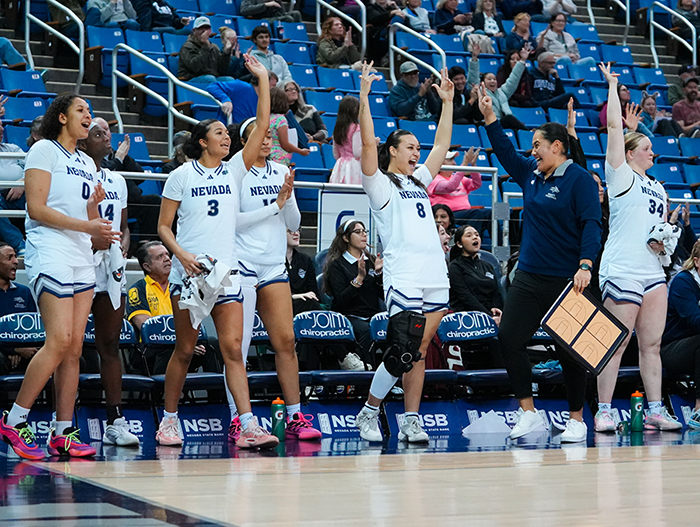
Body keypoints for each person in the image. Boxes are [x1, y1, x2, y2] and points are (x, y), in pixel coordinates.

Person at [154, 54, 280, 449]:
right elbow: (162, 226)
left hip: (225, 273)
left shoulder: (236, 169)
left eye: (229, 134)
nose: (227, 138)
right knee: (186, 349)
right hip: (189, 274)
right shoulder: (180, 175)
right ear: (202, 140)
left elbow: (262, 124)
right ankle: (169, 421)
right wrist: (182, 256)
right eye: (220, 133)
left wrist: (261, 81)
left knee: (232, 350)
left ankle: (246, 424)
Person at [478, 82, 602, 442]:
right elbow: (504, 151)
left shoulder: (579, 179)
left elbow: (591, 225)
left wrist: (585, 264)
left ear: (557, 147)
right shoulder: (532, 176)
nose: (532, 152)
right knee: (510, 339)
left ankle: (577, 419)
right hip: (529, 277)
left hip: (568, 279)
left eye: (537, 146)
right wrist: (490, 118)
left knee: (570, 352)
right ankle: (529, 413)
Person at [0, 94, 119, 460]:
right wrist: (87, 223)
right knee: (58, 340)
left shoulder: (86, 160)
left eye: (90, 111)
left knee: (74, 348)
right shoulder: (43, 151)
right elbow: (36, 208)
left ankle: (62, 430)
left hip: (82, 253)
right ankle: (14, 419)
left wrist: (93, 213)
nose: (90, 116)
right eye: (82, 111)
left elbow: (82, 211)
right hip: (49, 248)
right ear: (63, 117)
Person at [354, 62, 454, 443]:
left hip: (434, 274)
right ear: (392, 151)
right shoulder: (380, 186)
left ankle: (411, 419)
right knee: (404, 348)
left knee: (422, 348)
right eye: (410, 147)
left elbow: (442, 146)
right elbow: (366, 144)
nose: (417, 152)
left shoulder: (419, 182)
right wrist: (364, 98)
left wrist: (447, 101)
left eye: (417, 148)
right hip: (405, 273)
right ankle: (369, 411)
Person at [223, 117, 322, 445]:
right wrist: (273, 205)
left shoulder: (281, 171)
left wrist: (288, 198)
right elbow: (232, 222)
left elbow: (293, 222)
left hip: (272, 266)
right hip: (241, 264)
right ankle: (239, 419)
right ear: (244, 140)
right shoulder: (233, 172)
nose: (266, 141)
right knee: (239, 347)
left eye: (268, 136)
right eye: (257, 136)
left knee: (286, 341)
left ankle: (294, 415)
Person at [594, 63, 682, 432]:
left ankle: (655, 409)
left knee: (652, 345)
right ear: (630, 154)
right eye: (646, 148)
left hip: (651, 269)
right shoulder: (621, 174)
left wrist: (665, 240)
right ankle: (603, 410)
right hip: (622, 268)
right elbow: (615, 129)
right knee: (614, 343)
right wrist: (613, 87)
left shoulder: (658, 187)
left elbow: (658, 235)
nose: (652, 153)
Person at [78, 119, 139, 447]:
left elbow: (124, 223)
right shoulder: (75, 174)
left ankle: (115, 420)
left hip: (111, 264)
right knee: (70, 345)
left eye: (107, 132)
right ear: (84, 142)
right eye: (98, 133)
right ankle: (64, 422)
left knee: (110, 344)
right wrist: (92, 241)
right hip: (79, 260)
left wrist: (125, 242)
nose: (107, 137)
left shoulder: (117, 179)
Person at [324, 220, 384, 366]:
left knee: (393, 327)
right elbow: (341, 300)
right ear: (345, 238)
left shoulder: (371, 261)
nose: (363, 235)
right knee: (365, 330)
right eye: (358, 232)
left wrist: (379, 274)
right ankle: (366, 375)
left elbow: (383, 296)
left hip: (372, 315)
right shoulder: (337, 265)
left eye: (365, 231)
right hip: (348, 315)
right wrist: (359, 278)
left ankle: (391, 379)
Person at [93, 118, 162, 243]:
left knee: (154, 201)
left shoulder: (116, 153)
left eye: (107, 130)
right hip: (109, 202)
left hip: (132, 200)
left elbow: (139, 176)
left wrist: (124, 156)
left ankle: (146, 244)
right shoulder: (93, 156)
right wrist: (118, 159)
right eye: (100, 131)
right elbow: (103, 172)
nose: (105, 134)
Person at [661, 240, 700, 428]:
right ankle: (699, 410)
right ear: (697, 261)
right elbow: (695, 321)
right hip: (672, 349)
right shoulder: (684, 282)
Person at [428, 148, 492, 234]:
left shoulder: (457, 178)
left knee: (490, 213)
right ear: (440, 163)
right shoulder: (433, 179)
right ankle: (469, 244)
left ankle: (501, 245)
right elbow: (450, 187)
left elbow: (476, 184)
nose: (454, 163)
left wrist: (473, 165)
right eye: (450, 160)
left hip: (466, 213)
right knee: (477, 214)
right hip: (448, 215)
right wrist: (464, 164)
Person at [449, 224, 503, 318]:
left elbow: (496, 293)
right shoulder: (455, 267)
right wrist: (488, 315)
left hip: (491, 315)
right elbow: (465, 297)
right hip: (467, 317)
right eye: (469, 235)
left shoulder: (488, 266)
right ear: (459, 244)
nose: (475, 237)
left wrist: (496, 310)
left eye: (477, 235)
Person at [0, 243, 38, 375]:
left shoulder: (24, 292)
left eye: (15, 257)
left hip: (26, 351)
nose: (16, 261)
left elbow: (35, 330)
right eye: (9, 258)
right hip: (3, 352)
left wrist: (22, 349)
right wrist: (14, 349)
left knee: (66, 359)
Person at [481, 44, 531, 129]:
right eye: (489, 79)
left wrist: (522, 60)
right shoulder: (480, 93)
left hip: (501, 124)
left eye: (494, 79)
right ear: (482, 83)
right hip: (490, 124)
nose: (493, 81)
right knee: (509, 119)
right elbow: (472, 79)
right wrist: (474, 59)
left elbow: (513, 79)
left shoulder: (502, 92)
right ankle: (528, 132)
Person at [178, 17, 235, 84]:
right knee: (209, 79)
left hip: (211, 78)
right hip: (190, 80)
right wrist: (205, 47)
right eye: (201, 28)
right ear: (194, 31)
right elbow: (195, 67)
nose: (204, 31)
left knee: (230, 80)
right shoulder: (187, 46)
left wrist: (226, 52)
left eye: (207, 28)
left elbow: (222, 70)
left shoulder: (214, 47)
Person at [0, 120, 27, 258]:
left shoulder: (13, 149)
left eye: (1, 125)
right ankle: (20, 245)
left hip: (21, 193)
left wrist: (22, 183)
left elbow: (32, 168)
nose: (1, 129)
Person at [269, 87, 309, 166]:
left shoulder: (266, 118)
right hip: (279, 159)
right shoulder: (280, 119)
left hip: (268, 157)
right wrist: (300, 151)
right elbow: (285, 144)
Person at [286, 229, 321, 314]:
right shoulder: (272, 261)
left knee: (311, 303)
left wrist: (310, 295)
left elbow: (314, 291)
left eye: (297, 230)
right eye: (290, 231)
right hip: (281, 305)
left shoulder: (305, 260)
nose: (296, 233)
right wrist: (294, 296)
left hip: (304, 305)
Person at [330, 95, 362, 185]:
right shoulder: (356, 128)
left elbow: (336, 154)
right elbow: (357, 152)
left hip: (339, 166)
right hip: (354, 167)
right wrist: (370, 145)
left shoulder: (337, 128)